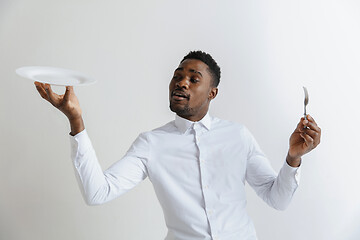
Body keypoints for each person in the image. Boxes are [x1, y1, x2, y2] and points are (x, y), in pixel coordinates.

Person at [34, 50, 321, 240]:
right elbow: (98, 193)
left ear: (212, 92)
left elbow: (278, 200)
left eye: (193, 79)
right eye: (177, 76)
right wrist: (76, 121)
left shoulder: (238, 136)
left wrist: (293, 158)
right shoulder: (151, 143)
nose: (181, 83)